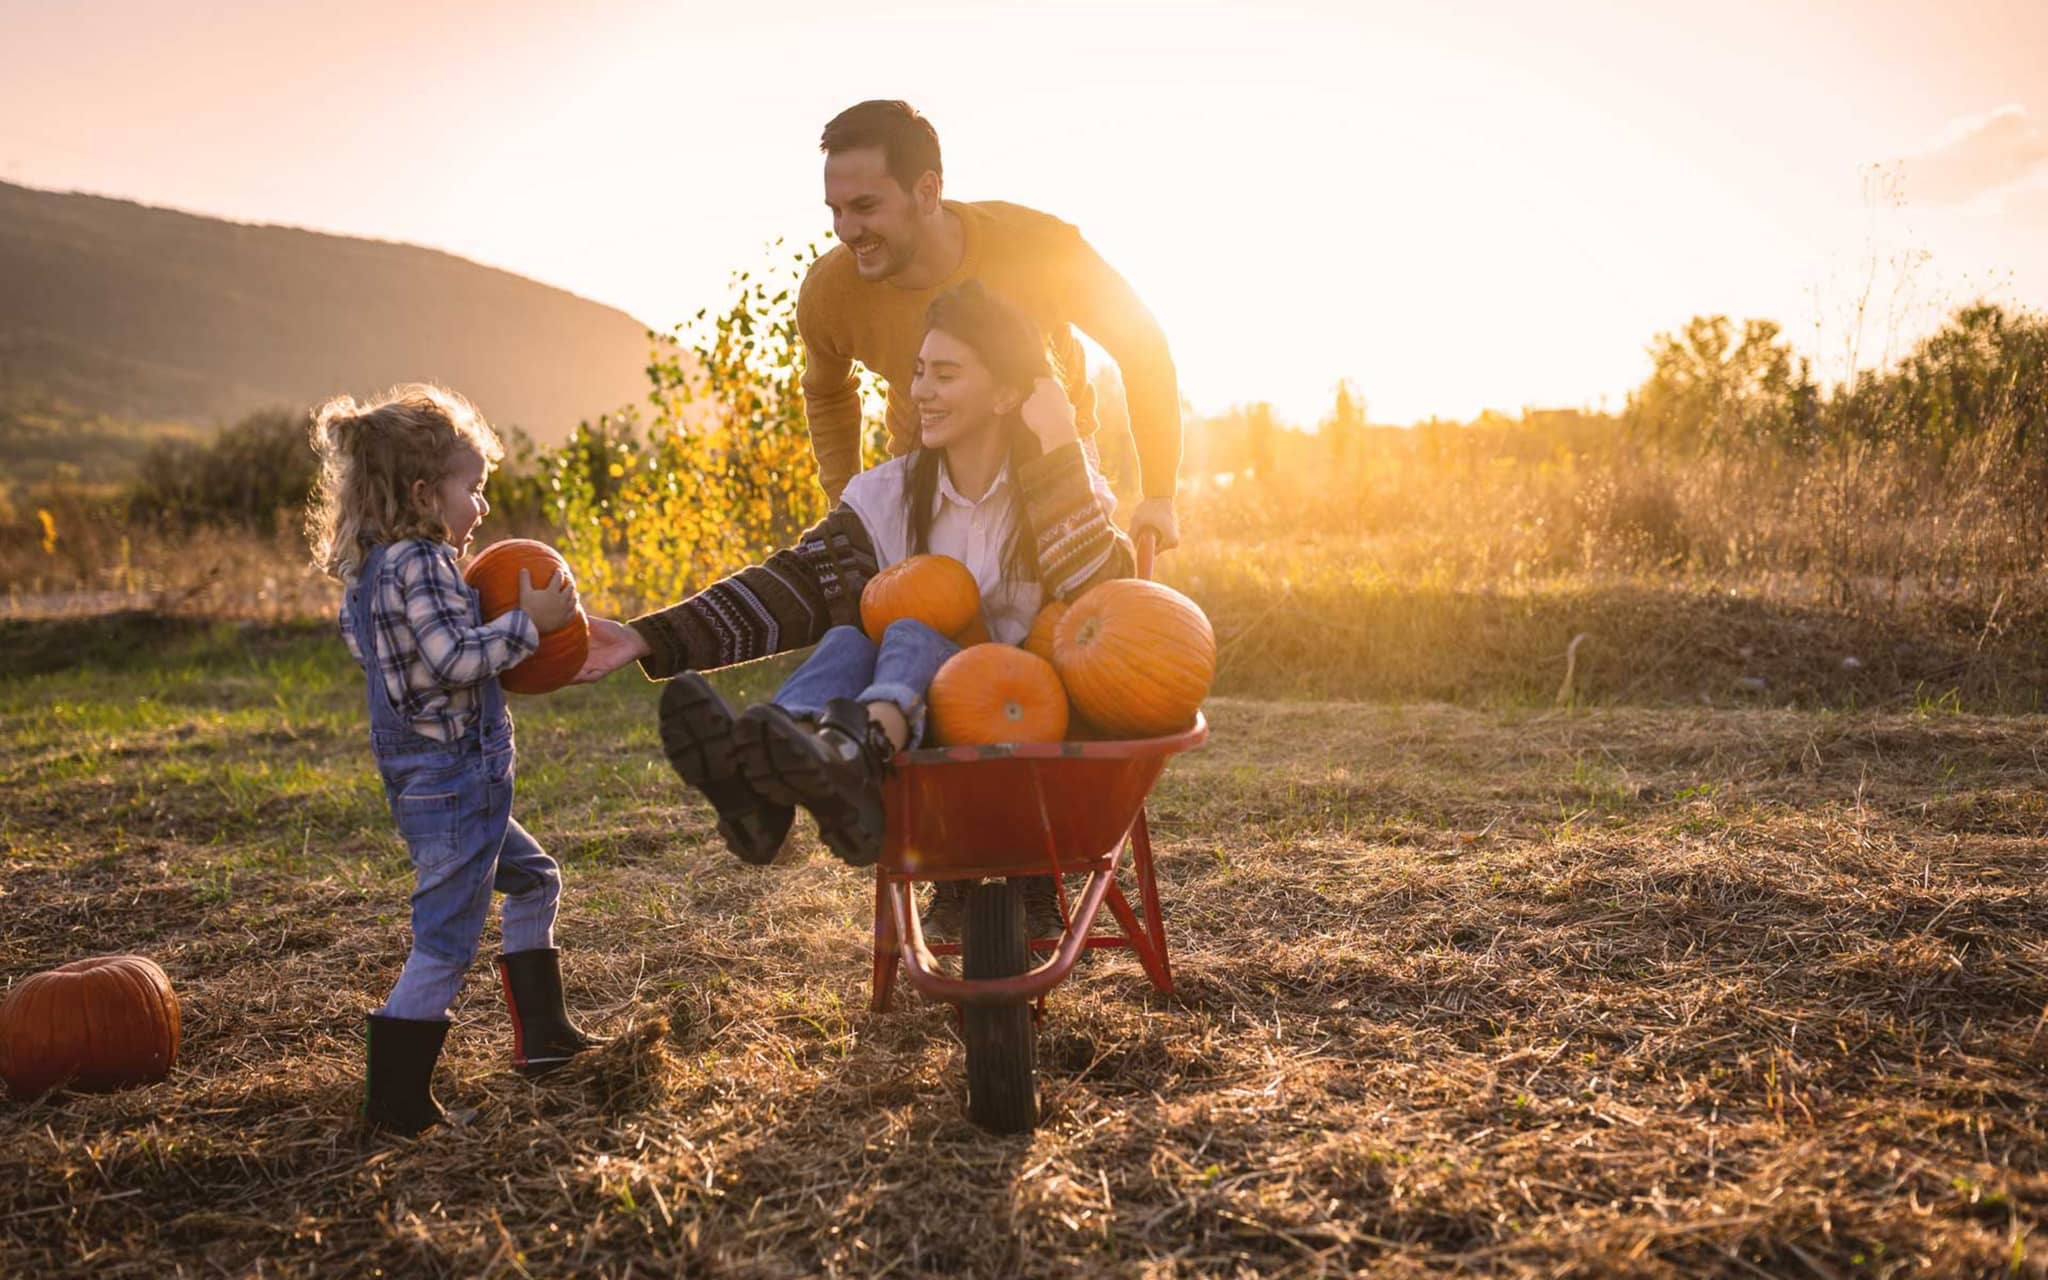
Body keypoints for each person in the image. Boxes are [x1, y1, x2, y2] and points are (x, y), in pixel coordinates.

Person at [577, 283, 1131, 885]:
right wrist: (648, 637)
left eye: (945, 375)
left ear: (1006, 393)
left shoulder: (1062, 488)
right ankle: (764, 777)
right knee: (847, 639)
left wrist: (1060, 445)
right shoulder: (888, 496)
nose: (921, 391)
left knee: (913, 631)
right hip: (917, 748)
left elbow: (1105, 607)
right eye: (920, 372)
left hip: (1020, 723)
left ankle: (842, 752)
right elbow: (792, 586)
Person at [306, 384, 604, 1137]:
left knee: (536, 879)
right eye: (471, 489)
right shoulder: (428, 563)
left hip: (420, 779)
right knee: (443, 941)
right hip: (458, 780)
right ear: (422, 492)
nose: (480, 506)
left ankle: (542, 1037)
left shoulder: (368, 574)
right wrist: (526, 626)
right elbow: (451, 658)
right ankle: (396, 1102)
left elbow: (375, 657)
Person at [800, 99, 1184, 551]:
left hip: (1052, 455)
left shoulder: (1036, 246)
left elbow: (1141, 345)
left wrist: (1159, 493)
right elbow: (827, 392)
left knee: (1055, 615)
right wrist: (844, 505)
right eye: (836, 210)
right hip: (925, 467)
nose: (846, 230)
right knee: (920, 613)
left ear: (926, 192)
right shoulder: (830, 292)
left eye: (864, 206)